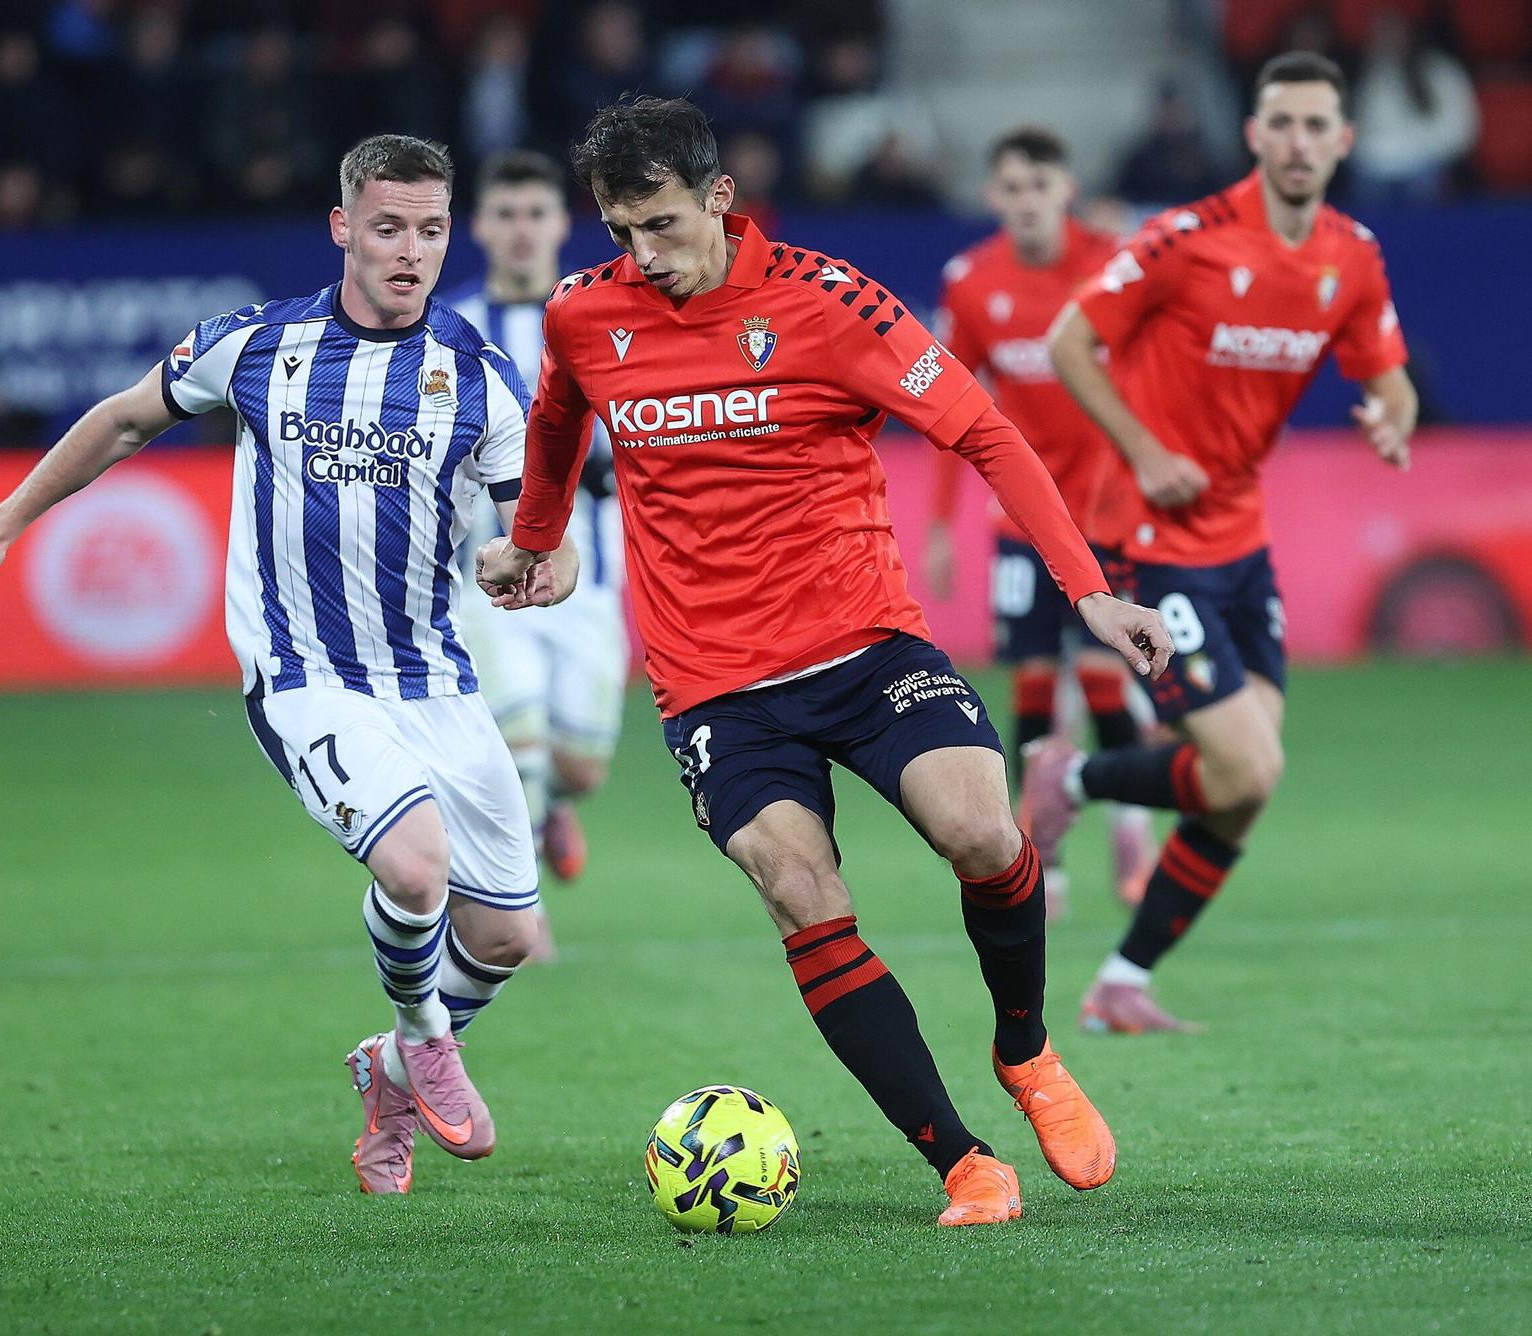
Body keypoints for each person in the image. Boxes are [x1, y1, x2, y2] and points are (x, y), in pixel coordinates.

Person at [477, 97, 1173, 1227]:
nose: (639, 257)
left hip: (864, 645)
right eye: (617, 232)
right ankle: (961, 1160)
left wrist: (1086, 593)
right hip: (714, 687)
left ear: (718, 198)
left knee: (981, 832)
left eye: (657, 225)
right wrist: (540, 538)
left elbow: (985, 431)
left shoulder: (829, 301)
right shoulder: (581, 316)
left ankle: (1027, 1051)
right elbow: (558, 420)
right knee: (802, 895)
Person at [0, 135, 573, 1196]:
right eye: (386, 228)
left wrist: (532, 569)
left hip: (437, 681)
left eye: (427, 230)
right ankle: (423, 1040)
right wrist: (5, 523)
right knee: (413, 867)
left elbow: (527, 534)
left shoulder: (481, 379)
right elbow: (126, 417)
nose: (408, 251)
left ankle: (388, 1067)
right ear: (342, 229)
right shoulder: (261, 346)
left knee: (503, 931)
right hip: (304, 669)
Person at [1029, 52, 1416, 1033]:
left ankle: (1118, 974)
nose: (1297, 142)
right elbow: (1072, 338)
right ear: (1252, 134)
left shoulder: (1350, 254)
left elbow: (1386, 369)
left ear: (1342, 140)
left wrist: (1391, 416)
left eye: (1314, 125)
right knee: (1248, 770)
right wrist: (1143, 449)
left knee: (1239, 789)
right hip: (1150, 536)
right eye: (1279, 123)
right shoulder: (1185, 238)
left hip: (1240, 542)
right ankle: (1070, 782)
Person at [928, 125, 1156, 918]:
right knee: (1031, 684)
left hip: (1108, 512)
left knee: (1102, 677)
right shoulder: (970, 282)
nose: (1027, 203)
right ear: (995, 197)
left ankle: (1131, 827)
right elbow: (946, 409)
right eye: (1012, 189)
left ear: (1067, 189)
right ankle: (1045, 862)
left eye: (1040, 186)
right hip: (1021, 520)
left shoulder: (1111, 266)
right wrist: (940, 527)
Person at [452, 150, 629, 946]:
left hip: (588, 579)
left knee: (581, 767)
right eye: (507, 214)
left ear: (563, 224)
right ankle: (521, 916)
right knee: (515, 739)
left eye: (536, 214)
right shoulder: (450, 331)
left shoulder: (606, 320)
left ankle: (556, 807)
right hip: (484, 576)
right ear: (481, 227)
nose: (522, 231)